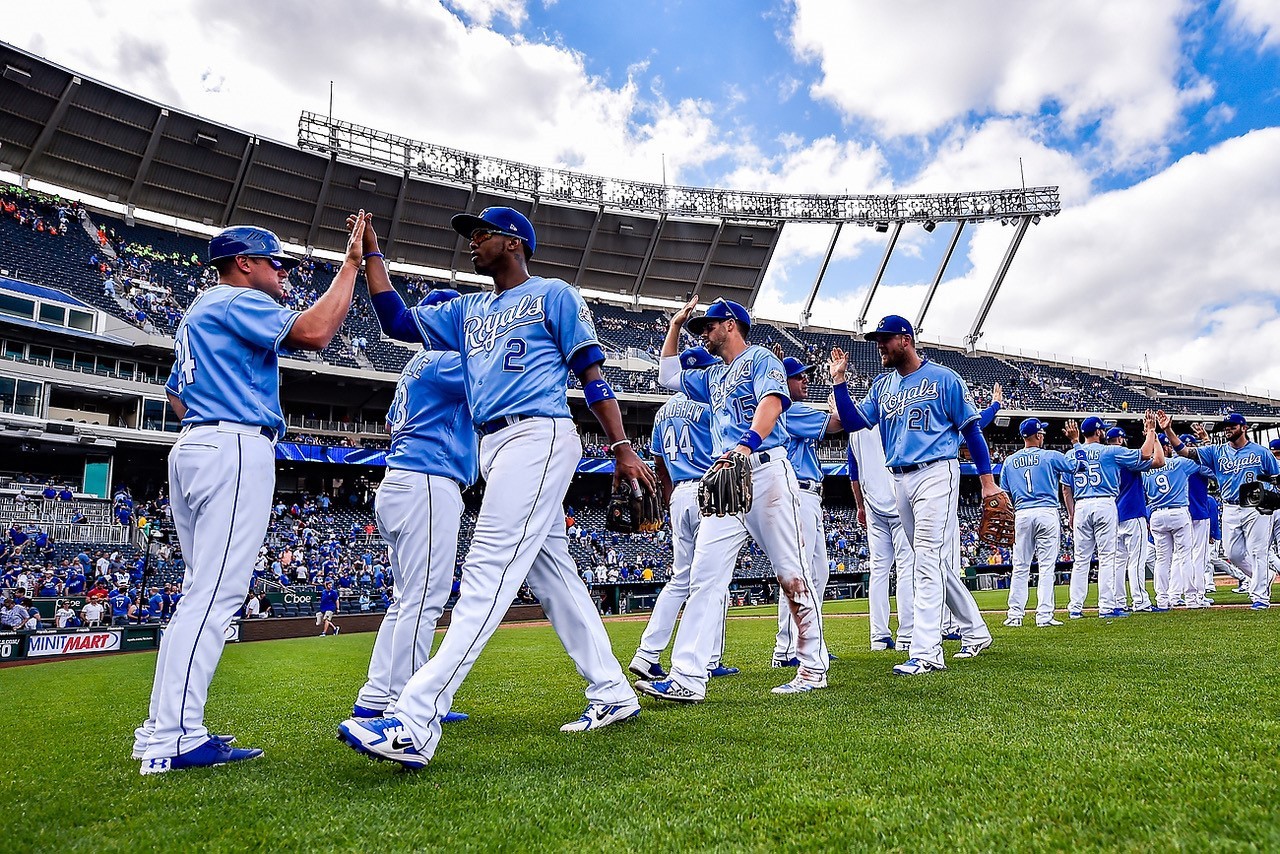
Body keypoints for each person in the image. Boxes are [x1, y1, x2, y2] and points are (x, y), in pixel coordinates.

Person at [340, 206, 649, 769]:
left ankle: (414, 719)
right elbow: (396, 322)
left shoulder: (553, 294)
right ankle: (612, 690)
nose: (471, 244)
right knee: (552, 573)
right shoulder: (469, 308)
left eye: (480, 234)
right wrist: (371, 257)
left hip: (539, 433)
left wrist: (622, 445)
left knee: (487, 572)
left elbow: (591, 375)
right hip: (495, 446)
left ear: (512, 242)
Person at [134, 214, 369, 776]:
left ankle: (168, 728)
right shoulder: (235, 300)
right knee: (214, 596)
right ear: (244, 264)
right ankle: (172, 737)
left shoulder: (197, 313)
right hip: (233, 446)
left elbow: (176, 399)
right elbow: (314, 334)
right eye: (273, 262)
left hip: (195, 443)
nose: (282, 272)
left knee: (201, 593)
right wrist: (352, 266)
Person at [639, 296, 826, 702]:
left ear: (731, 324)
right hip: (726, 478)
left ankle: (812, 666)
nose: (702, 332)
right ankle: (687, 676)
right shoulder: (713, 376)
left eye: (708, 325)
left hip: (765, 471)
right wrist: (674, 326)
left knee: (790, 571)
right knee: (705, 575)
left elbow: (772, 402)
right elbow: (668, 375)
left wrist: (746, 444)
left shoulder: (760, 358)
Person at [830, 316, 993, 676]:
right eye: (878, 340)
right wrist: (839, 383)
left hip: (937, 471)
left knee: (925, 559)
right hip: (899, 479)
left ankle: (927, 651)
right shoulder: (882, 385)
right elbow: (856, 423)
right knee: (929, 560)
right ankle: (976, 631)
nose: (880, 346)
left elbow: (971, 429)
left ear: (906, 340)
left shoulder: (944, 378)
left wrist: (987, 481)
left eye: (885, 339)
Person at [351, 347, 478, 726]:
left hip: (401, 481)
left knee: (405, 601)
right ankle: (404, 702)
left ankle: (376, 695)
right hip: (427, 481)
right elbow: (491, 378)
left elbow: (393, 425)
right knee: (422, 602)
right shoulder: (446, 360)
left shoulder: (414, 365)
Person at [628, 348, 737, 685]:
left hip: (679, 493)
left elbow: (659, 462)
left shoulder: (662, 412)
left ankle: (646, 654)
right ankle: (709, 660)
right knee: (713, 578)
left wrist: (667, 494)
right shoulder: (709, 404)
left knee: (680, 579)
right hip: (709, 490)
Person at [1161, 411, 1280, 609]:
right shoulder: (1216, 451)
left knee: (1258, 551)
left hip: (1256, 507)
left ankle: (1260, 597)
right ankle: (1264, 577)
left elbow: (1275, 477)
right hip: (1231, 506)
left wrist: (1272, 494)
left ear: (1244, 428)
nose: (1228, 429)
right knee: (1233, 554)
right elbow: (1184, 451)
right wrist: (1168, 430)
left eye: (1232, 426)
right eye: (1226, 427)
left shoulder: (1261, 452)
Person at [773, 356, 840, 667]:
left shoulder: (792, 411)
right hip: (798, 494)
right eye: (799, 377)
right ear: (783, 381)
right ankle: (788, 650)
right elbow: (839, 424)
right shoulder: (791, 409)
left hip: (807, 494)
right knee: (798, 572)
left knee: (818, 573)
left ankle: (810, 643)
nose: (805, 381)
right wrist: (838, 398)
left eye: (805, 376)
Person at [1061, 415, 1158, 619]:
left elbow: (1066, 488)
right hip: (1104, 502)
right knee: (1107, 558)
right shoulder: (1110, 451)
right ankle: (1106, 606)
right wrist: (1150, 430)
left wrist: (1071, 513)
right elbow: (1146, 453)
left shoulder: (1071, 454)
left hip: (1081, 505)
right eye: (1102, 429)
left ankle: (1075, 607)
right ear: (1097, 432)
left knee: (1081, 560)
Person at [999, 418, 1079, 627]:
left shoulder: (1009, 461)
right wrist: (1075, 442)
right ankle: (1044, 616)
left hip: (1022, 513)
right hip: (1046, 511)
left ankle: (1014, 616)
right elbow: (1078, 466)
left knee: (1020, 566)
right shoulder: (1050, 456)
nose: (1043, 435)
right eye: (1041, 432)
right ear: (1038, 435)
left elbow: (1005, 494)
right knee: (1045, 567)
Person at [1109, 427, 1153, 613]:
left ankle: (1118, 601)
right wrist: (1152, 434)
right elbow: (1156, 459)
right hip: (1133, 513)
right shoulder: (1126, 459)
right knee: (1136, 560)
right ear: (1120, 440)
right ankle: (1140, 601)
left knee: (1118, 562)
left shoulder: (1105, 459)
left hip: (1114, 515)